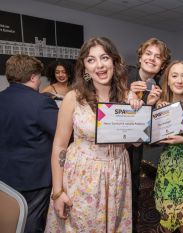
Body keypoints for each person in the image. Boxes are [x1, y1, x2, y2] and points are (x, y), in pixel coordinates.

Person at [44, 37, 143, 232]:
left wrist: (138, 118)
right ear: (84, 67)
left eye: (104, 57)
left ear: (114, 61)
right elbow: (59, 146)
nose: (99, 65)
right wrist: (57, 192)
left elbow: (134, 142)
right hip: (83, 177)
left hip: (117, 175)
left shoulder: (126, 96)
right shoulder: (74, 98)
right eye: (91, 60)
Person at [0, 54, 58, 233]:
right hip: (34, 178)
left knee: (9, 220)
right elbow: (62, 134)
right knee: (31, 223)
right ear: (33, 77)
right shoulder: (41, 102)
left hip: (4, 175)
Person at [147, 60, 183, 233]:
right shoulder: (160, 104)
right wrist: (157, 114)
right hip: (169, 167)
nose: (179, 80)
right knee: (167, 216)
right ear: (168, 80)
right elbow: (149, 142)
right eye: (174, 76)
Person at [127, 37, 171, 232]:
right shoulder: (123, 74)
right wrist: (126, 92)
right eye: (148, 54)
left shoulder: (156, 89)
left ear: (162, 64)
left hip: (135, 150)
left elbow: (146, 130)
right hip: (111, 148)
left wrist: (153, 106)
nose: (152, 59)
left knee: (133, 191)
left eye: (158, 57)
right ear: (140, 56)